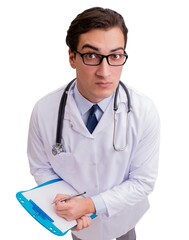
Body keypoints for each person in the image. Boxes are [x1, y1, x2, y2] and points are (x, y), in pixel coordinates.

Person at [27, 7, 160, 240]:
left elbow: (142, 182)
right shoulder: (44, 111)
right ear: (72, 57)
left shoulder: (144, 111)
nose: (105, 71)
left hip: (123, 219)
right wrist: (66, 204)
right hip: (77, 224)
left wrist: (89, 205)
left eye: (116, 56)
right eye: (91, 56)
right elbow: (41, 168)